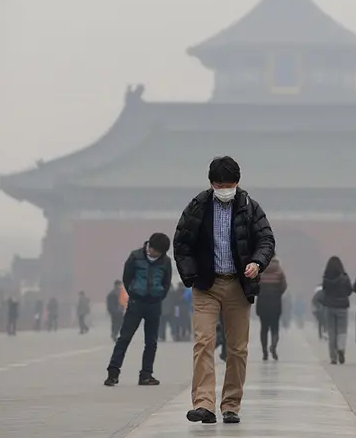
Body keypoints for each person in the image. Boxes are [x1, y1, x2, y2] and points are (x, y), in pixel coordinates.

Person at [174, 156, 275, 425]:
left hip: (238, 285)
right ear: (211, 183)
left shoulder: (250, 208)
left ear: (237, 183)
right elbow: (181, 242)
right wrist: (191, 275)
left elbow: (266, 239)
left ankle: (231, 404)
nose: (225, 189)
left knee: (237, 348)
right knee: (203, 342)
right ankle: (204, 404)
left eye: (229, 184)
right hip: (206, 285)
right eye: (220, 185)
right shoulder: (198, 207)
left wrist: (257, 262)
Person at [104, 233, 172, 387]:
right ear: (150, 247)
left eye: (161, 253)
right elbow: (127, 278)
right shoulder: (135, 256)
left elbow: (166, 282)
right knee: (124, 338)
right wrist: (134, 293)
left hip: (154, 304)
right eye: (156, 251)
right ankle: (113, 373)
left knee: (151, 342)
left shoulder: (166, 261)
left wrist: (159, 294)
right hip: (136, 303)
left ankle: (146, 375)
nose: (157, 255)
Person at [321, 256, 352, 365]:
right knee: (342, 330)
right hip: (342, 306)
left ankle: (333, 357)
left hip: (330, 306)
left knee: (331, 331)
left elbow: (324, 291)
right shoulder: (345, 277)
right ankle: (341, 348)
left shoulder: (326, 278)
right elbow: (349, 290)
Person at [256, 256, 287, 361]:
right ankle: (273, 346)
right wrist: (277, 294)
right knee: (275, 328)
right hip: (275, 303)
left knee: (263, 329)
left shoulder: (260, 270)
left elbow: (255, 284)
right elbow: (283, 286)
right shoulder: (279, 271)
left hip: (262, 303)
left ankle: (264, 351)